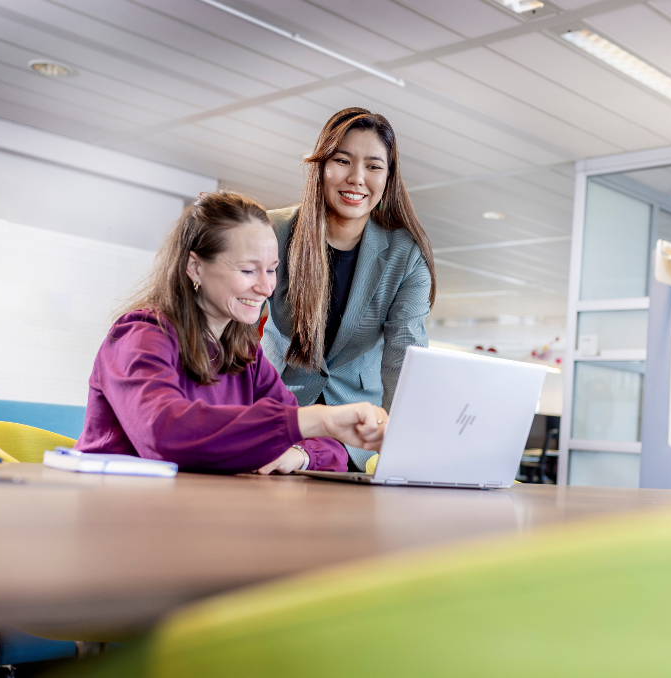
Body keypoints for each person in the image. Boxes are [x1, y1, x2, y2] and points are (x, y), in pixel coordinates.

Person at [74, 191, 387, 474]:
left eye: (271, 269)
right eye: (248, 270)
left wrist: (297, 453)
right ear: (195, 267)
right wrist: (313, 420)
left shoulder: (245, 356)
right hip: (118, 513)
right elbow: (163, 434)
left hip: (191, 513)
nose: (266, 287)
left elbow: (325, 447)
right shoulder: (140, 336)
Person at [261, 107, 436, 470]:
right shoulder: (274, 231)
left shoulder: (405, 254)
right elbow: (234, 320)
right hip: (278, 410)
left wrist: (409, 447)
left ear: (388, 178)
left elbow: (405, 355)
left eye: (373, 166)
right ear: (321, 166)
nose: (357, 178)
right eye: (342, 160)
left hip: (355, 431)